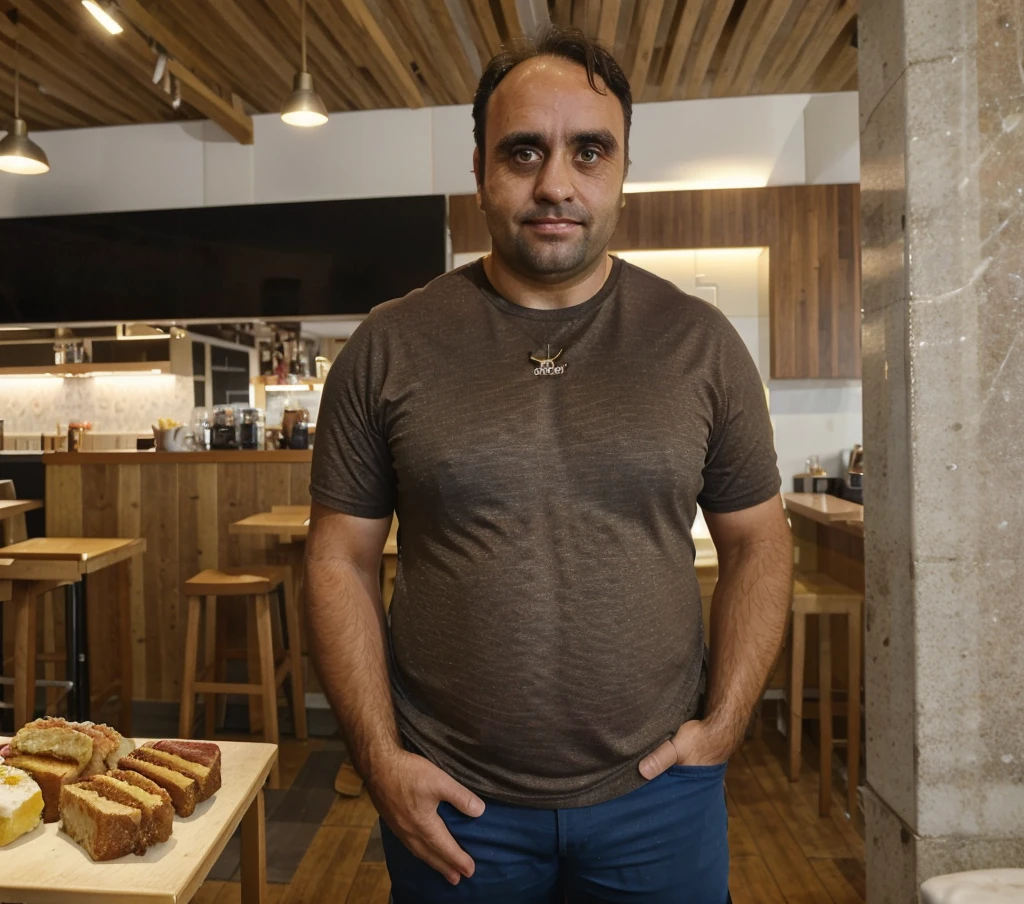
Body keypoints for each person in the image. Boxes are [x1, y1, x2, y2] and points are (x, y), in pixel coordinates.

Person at [306, 25, 793, 904]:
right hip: (453, 803)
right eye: (523, 151)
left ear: (622, 170)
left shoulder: (702, 345)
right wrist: (378, 759)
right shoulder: (388, 346)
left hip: (660, 797)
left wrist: (722, 726)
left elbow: (761, 542)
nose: (555, 184)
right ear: (482, 170)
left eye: (589, 152)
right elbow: (337, 558)